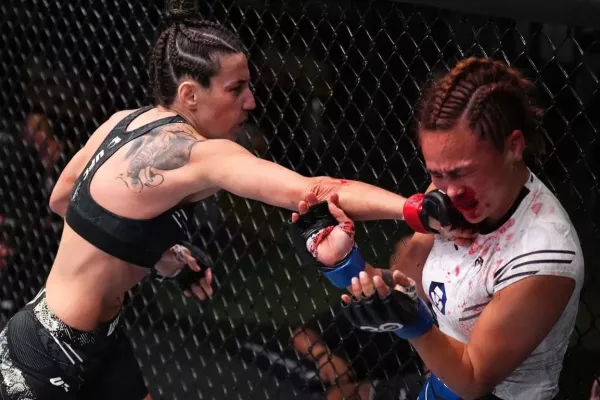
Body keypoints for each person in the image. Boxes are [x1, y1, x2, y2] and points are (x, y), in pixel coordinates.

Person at [0, 1, 470, 399]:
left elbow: (64, 198)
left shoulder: (122, 122)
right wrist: (414, 209)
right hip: (47, 354)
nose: (251, 102)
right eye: (236, 89)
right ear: (190, 94)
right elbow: (315, 191)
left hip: (92, 336)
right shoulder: (201, 155)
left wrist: (155, 251)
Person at [290, 57, 584, 400]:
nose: (450, 191)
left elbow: (472, 380)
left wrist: (412, 322)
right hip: (437, 381)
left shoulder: (544, 253)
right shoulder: (449, 195)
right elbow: (406, 284)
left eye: (462, 172)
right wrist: (344, 263)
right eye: (436, 173)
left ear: (513, 147)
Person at [291, 236, 422, 400]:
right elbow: (301, 334)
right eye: (401, 260)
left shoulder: (440, 320)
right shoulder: (372, 300)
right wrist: (323, 356)